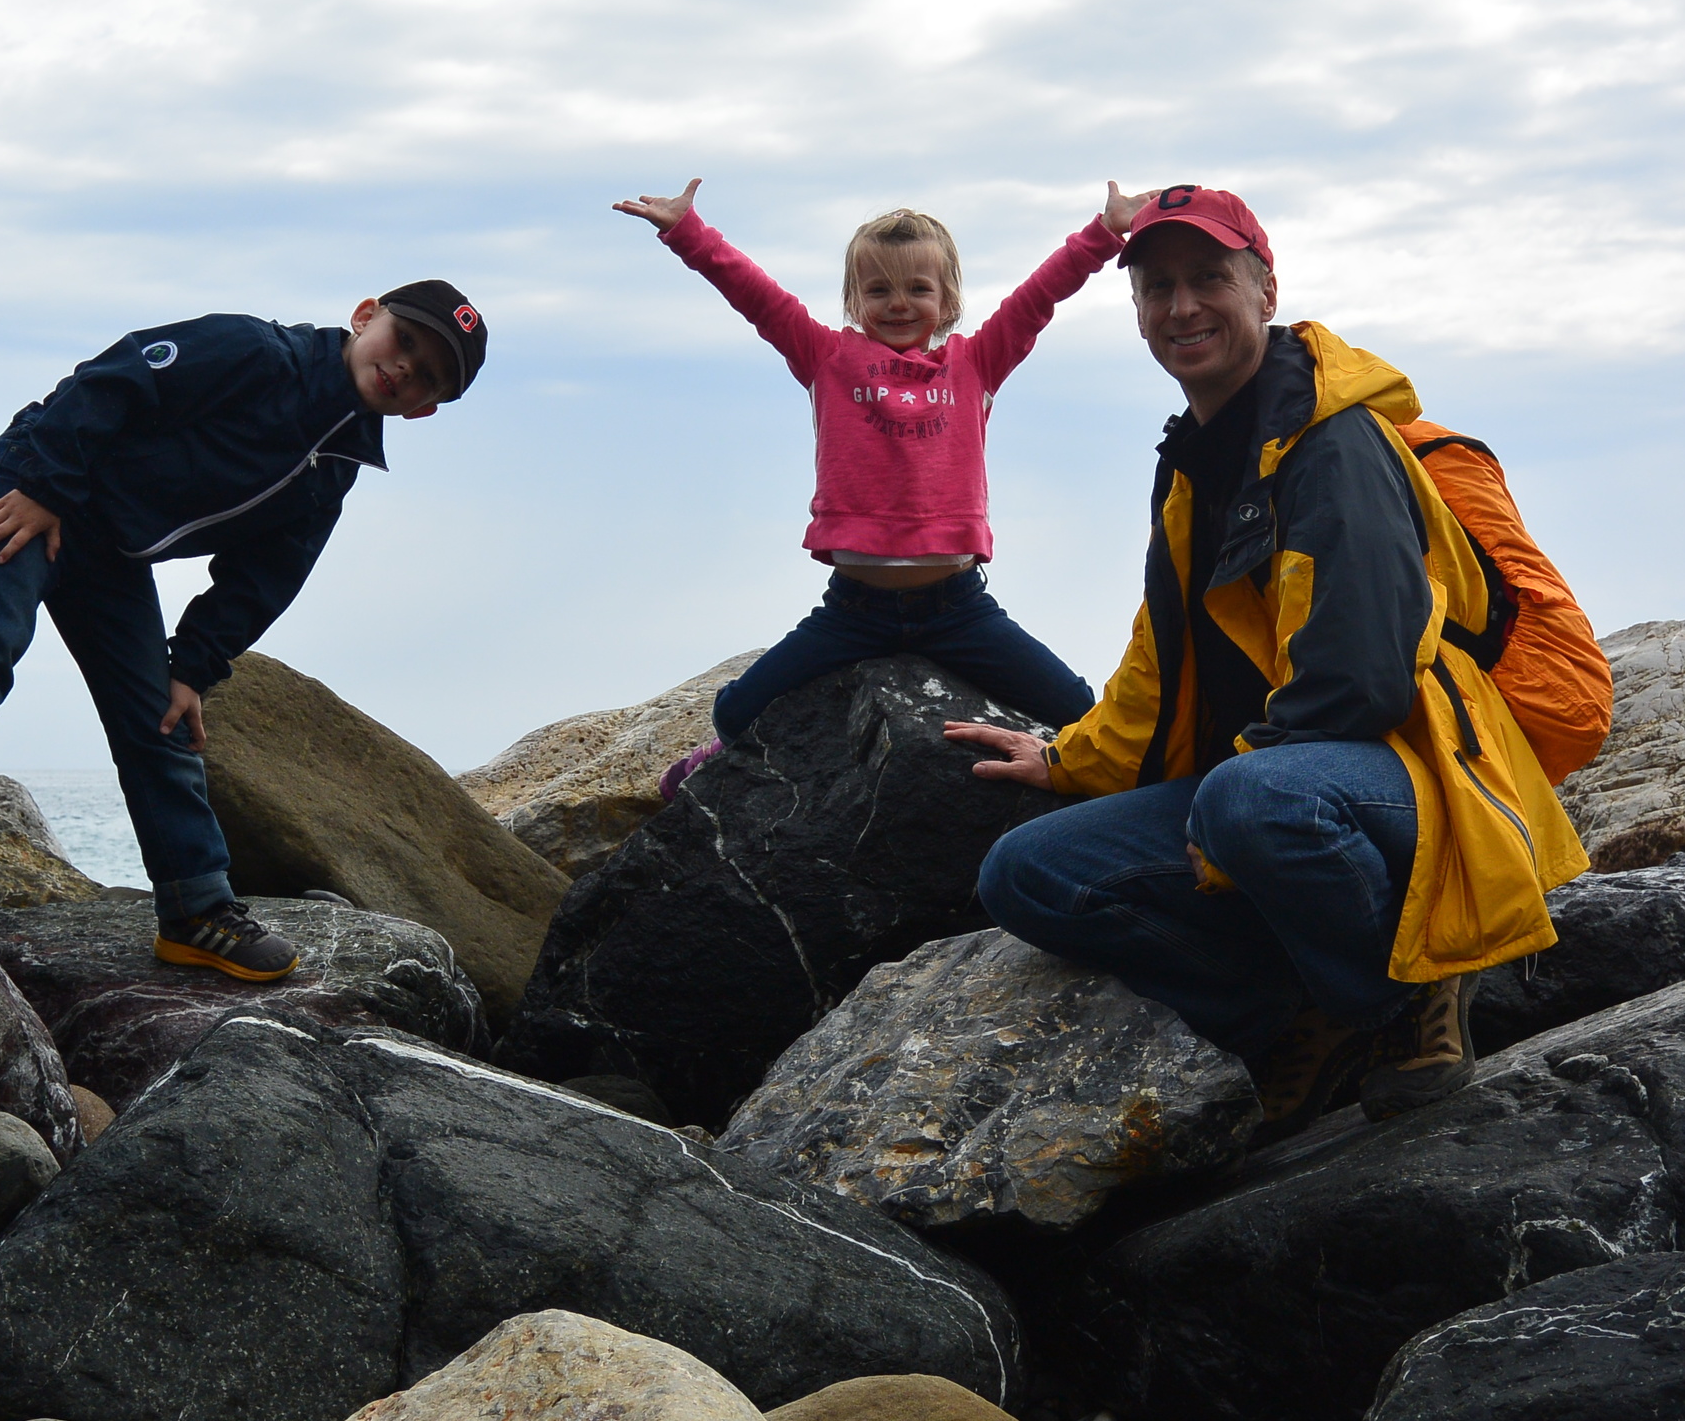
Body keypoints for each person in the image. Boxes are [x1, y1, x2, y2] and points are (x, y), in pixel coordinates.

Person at [945, 187, 1588, 1128]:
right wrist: (1066, 759)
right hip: (1293, 780)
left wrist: (1233, 785)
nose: (1182, 307)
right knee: (1025, 873)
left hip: (1419, 777)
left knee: (1247, 802)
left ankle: (1412, 993)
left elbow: (1362, 673)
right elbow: (1163, 662)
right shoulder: (1198, 459)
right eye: (1157, 288)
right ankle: (1294, 1016)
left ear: (1266, 289)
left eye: (1210, 278)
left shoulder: (1336, 441)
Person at [0, 282, 487, 983]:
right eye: (405, 342)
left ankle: (195, 911)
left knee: (163, 724)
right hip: (44, 488)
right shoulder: (259, 352)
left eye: (427, 376)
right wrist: (45, 485)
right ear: (366, 317)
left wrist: (193, 668)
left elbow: (265, 577)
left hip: (112, 553)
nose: (404, 369)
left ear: (426, 408)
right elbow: (114, 380)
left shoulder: (334, 469)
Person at [612, 178, 1141, 794]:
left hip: (959, 610)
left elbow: (1037, 299)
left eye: (918, 288)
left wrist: (1103, 235)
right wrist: (687, 232)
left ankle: (1095, 783)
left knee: (1078, 708)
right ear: (854, 299)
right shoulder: (827, 358)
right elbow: (757, 297)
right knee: (733, 711)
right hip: (853, 612)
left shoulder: (975, 363)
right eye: (878, 289)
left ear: (947, 301)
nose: (898, 302)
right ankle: (721, 765)